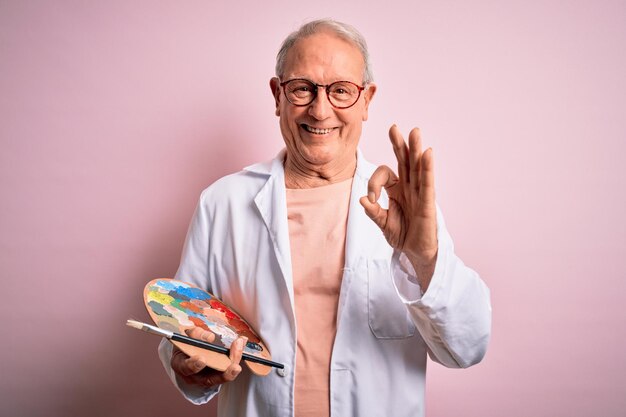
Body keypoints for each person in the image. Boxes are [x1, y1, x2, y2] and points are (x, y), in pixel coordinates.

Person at [158, 18, 491, 417]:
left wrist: (424, 259)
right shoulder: (222, 203)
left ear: (367, 100)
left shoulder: (405, 208)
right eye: (302, 89)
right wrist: (189, 363)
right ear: (277, 95)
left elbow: (467, 347)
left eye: (341, 91)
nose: (320, 110)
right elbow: (181, 325)